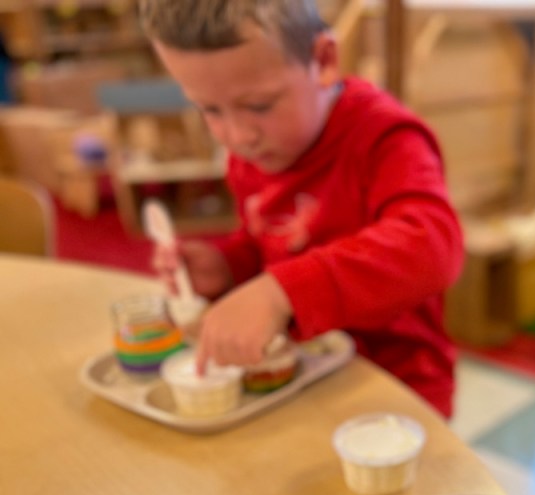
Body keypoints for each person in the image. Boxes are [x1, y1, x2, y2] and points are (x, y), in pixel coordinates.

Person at [136, 0, 464, 417]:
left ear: (323, 60)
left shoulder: (385, 138)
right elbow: (268, 243)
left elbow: (433, 245)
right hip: (300, 378)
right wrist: (227, 266)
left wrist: (282, 293)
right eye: (210, 109)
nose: (237, 136)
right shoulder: (254, 154)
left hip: (399, 388)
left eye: (259, 105)